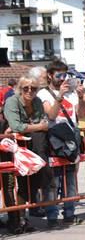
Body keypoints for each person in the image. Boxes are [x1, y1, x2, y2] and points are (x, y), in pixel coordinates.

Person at [37, 60, 83, 226]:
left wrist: (81, 96)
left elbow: (80, 115)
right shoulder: (44, 93)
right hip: (54, 139)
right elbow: (51, 115)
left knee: (70, 179)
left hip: (71, 137)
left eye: (65, 74)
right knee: (53, 181)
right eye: (59, 74)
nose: (63, 78)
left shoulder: (72, 93)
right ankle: (52, 216)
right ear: (50, 75)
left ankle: (69, 213)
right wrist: (60, 96)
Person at [3, 76, 51, 231]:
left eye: (33, 88)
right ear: (19, 89)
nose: (30, 91)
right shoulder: (12, 101)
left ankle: (22, 219)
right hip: (9, 147)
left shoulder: (37, 102)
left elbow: (42, 123)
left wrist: (29, 127)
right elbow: (16, 126)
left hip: (31, 148)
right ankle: (14, 221)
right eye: (26, 88)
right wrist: (35, 127)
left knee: (28, 183)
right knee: (9, 185)